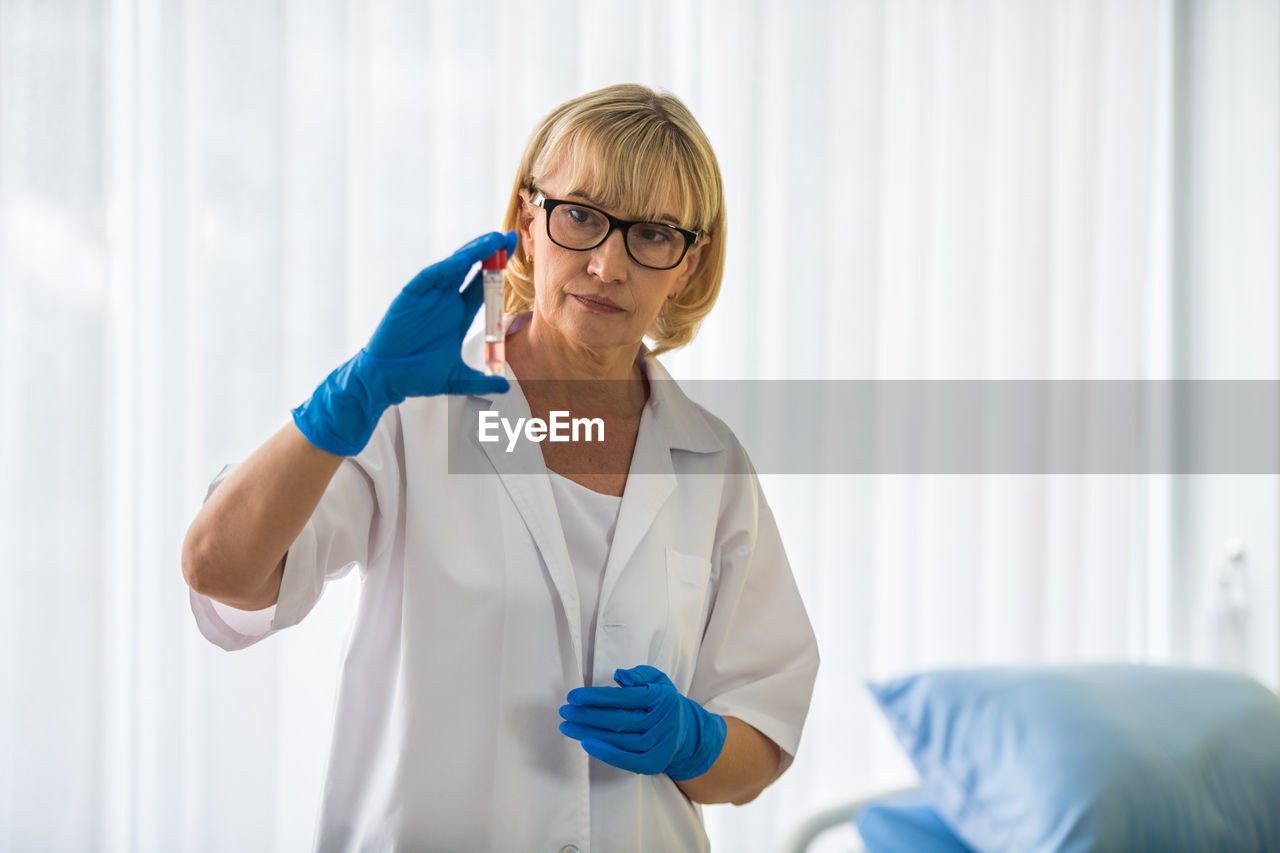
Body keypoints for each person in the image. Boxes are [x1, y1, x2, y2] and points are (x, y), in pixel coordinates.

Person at [182, 83, 819, 853]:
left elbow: (760, 735)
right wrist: (345, 400)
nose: (608, 264)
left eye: (651, 233)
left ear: (689, 262)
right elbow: (220, 569)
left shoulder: (712, 463)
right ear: (528, 217)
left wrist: (695, 741)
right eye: (581, 215)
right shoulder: (414, 408)